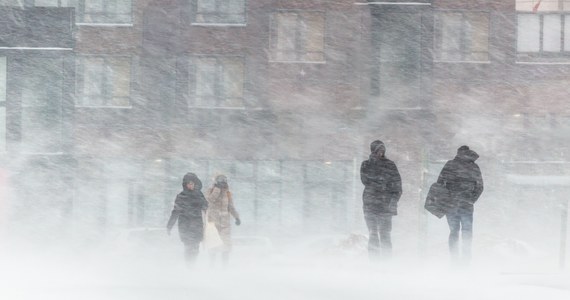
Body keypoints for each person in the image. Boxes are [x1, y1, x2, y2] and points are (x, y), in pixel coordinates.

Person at [437, 145, 484, 264]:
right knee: (467, 231)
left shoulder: (450, 165)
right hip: (466, 204)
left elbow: (439, 184)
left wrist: (446, 198)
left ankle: (454, 259)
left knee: (454, 231)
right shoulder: (473, 166)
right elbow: (479, 187)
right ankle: (466, 258)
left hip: (451, 204)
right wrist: (471, 199)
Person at [360, 140, 402, 260]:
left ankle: (386, 262)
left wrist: (393, 201)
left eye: (382, 150)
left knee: (385, 235)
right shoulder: (366, 164)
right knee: (373, 234)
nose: (381, 153)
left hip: (385, 206)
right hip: (370, 205)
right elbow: (365, 180)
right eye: (378, 150)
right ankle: (374, 262)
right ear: (373, 151)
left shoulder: (390, 165)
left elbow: (397, 186)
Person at [166, 172, 208, 267]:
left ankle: (192, 265)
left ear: (195, 184)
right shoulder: (181, 196)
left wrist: (200, 199)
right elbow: (175, 211)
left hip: (197, 225)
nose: (190, 185)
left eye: (192, 183)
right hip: (185, 226)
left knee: (196, 248)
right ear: (185, 184)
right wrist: (169, 225)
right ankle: (189, 266)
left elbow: (205, 206)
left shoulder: (199, 195)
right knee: (188, 247)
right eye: (189, 183)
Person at [205, 174, 241, 267]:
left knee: (226, 246)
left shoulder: (227, 193)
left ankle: (224, 266)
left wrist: (236, 217)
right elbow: (209, 201)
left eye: (224, 180)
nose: (223, 182)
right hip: (213, 222)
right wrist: (217, 189)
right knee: (213, 245)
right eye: (221, 180)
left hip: (225, 224)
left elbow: (231, 206)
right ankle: (211, 266)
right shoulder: (211, 190)